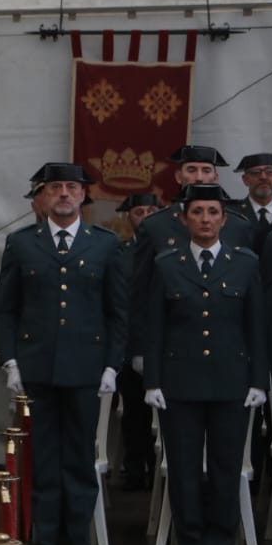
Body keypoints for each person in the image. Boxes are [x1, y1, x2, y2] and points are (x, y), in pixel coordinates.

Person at [0, 163, 126, 545]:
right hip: (37, 367)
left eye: (72, 187)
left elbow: (117, 313)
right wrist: (11, 359)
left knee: (79, 457)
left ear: (84, 195)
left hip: (87, 368)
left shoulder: (105, 244)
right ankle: (45, 539)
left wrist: (112, 365)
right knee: (44, 455)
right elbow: (7, 310)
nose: (65, 194)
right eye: (56, 188)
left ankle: (79, 539)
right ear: (44, 196)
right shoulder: (22, 244)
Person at [143, 185, 268, 545]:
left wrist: (258, 380)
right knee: (183, 468)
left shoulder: (245, 263)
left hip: (232, 382)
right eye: (197, 212)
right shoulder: (167, 263)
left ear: (224, 219)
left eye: (213, 212)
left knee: (225, 468)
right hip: (180, 384)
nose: (206, 219)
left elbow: (256, 328)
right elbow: (155, 328)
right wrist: (153, 381)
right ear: (184, 219)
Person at [129, 146, 252, 376]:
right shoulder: (155, 225)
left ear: (215, 177)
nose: (199, 177)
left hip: (227, 346)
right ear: (179, 176)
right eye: (191, 170)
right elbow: (140, 291)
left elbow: (250, 290)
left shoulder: (238, 226)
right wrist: (140, 347)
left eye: (206, 170)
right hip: (173, 345)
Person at [113, 193, 160, 491]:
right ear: (129, 217)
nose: (144, 216)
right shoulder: (120, 253)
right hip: (130, 343)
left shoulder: (173, 249)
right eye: (138, 211)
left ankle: (159, 469)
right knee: (134, 411)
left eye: (151, 211)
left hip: (165, 343)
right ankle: (133, 470)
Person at [232, 152, 272, 252]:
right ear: (245, 180)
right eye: (255, 172)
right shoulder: (232, 215)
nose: (263, 177)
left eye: (269, 171)